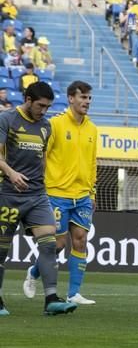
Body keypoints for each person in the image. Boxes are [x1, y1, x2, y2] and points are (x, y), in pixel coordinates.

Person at [0, 82, 78, 316]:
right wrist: (12, 173)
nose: (43, 111)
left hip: (36, 195)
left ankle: (51, 300)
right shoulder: (8, 119)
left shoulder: (45, 126)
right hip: (7, 194)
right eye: (40, 106)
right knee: (1, 251)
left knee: (50, 245)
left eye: (47, 107)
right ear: (28, 99)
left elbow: (42, 159)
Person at [23, 81, 97, 305]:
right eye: (82, 97)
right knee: (57, 245)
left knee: (81, 241)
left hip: (83, 195)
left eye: (89, 98)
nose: (86, 102)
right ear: (70, 99)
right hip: (56, 193)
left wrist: (92, 192)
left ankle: (74, 293)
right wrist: (41, 185)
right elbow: (43, 155)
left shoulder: (92, 129)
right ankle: (33, 273)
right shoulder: (54, 124)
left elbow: (93, 162)